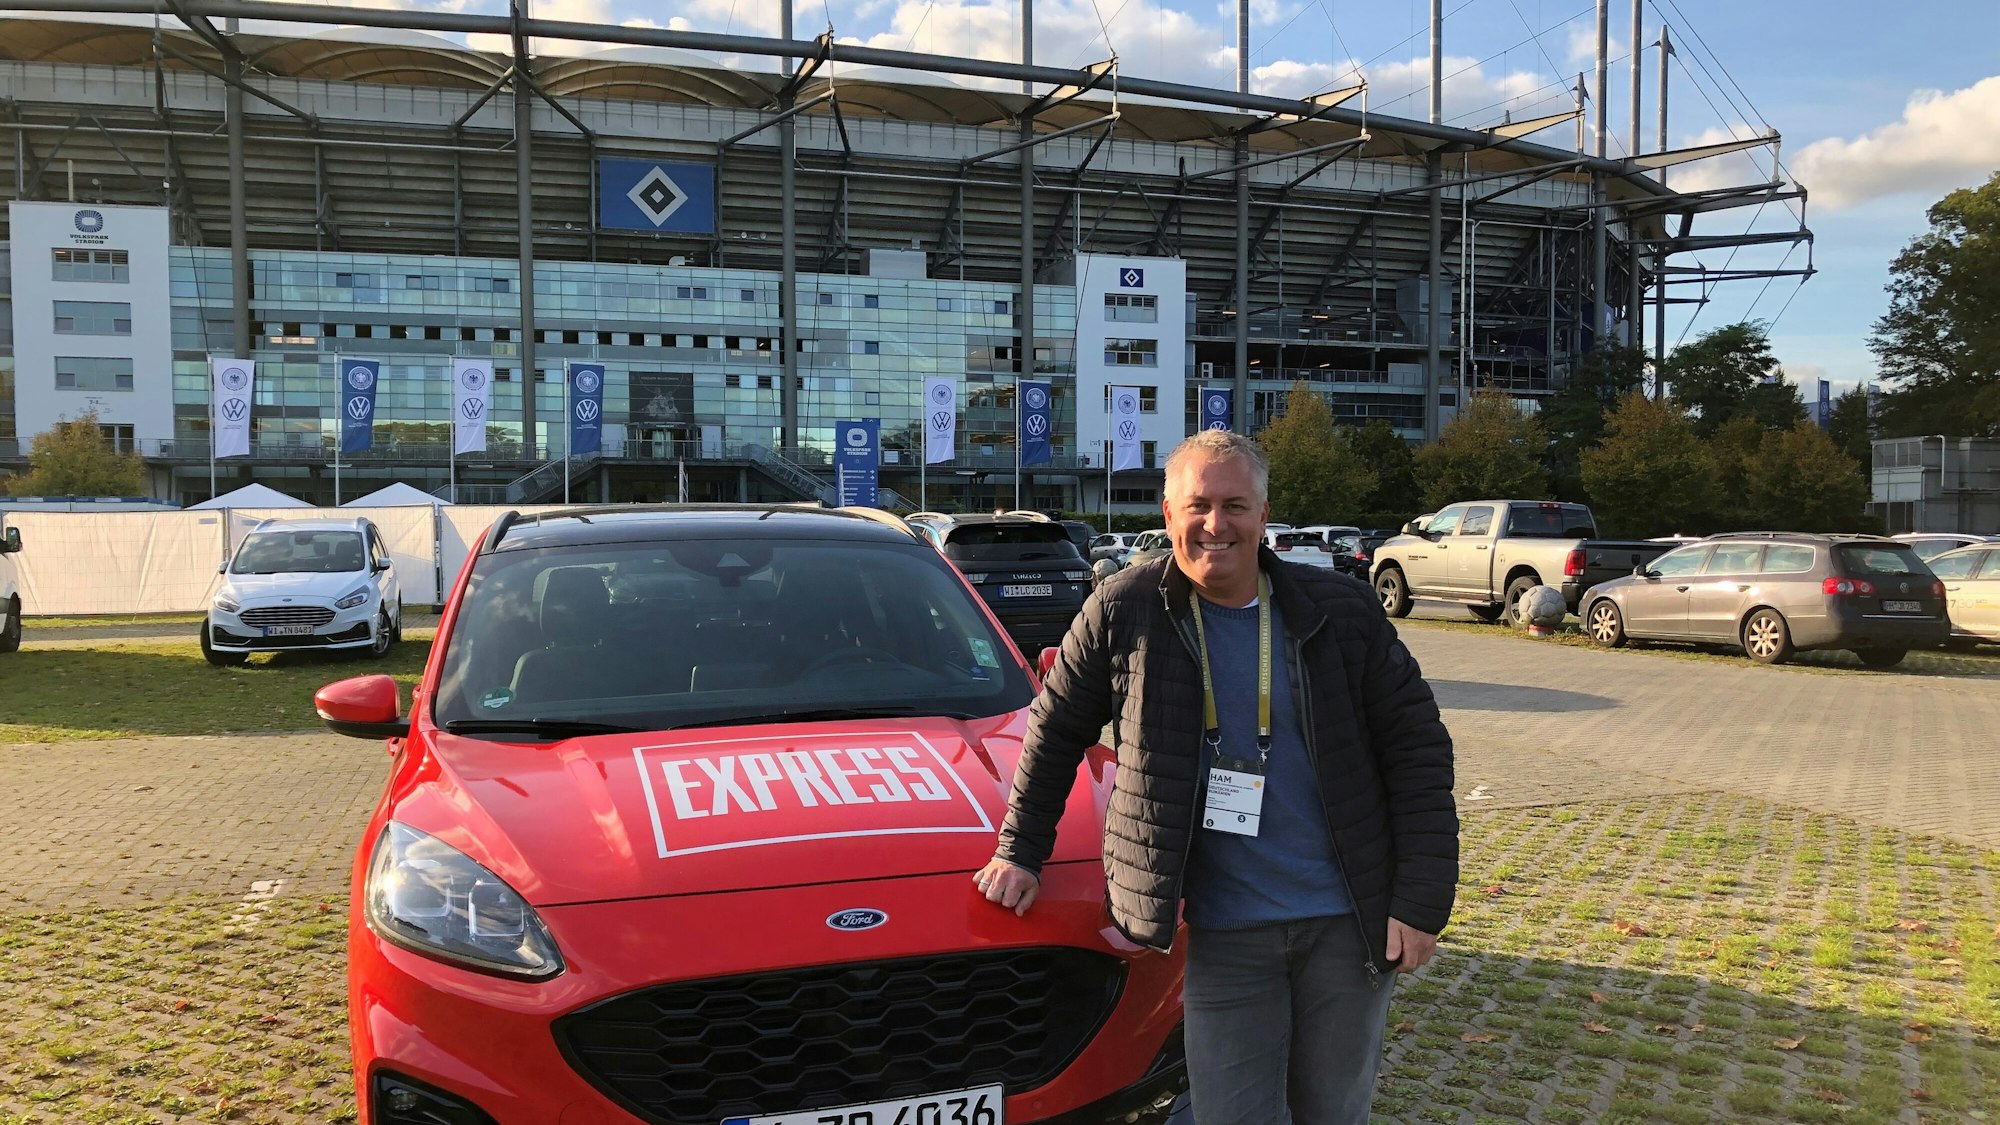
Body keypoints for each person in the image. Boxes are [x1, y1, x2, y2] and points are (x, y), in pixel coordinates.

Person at [974, 429, 1458, 1125]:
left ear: (1263, 515)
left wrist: (1419, 901)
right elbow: (1052, 733)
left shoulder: (1341, 611)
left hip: (1345, 926)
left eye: (1235, 505)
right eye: (1198, 505)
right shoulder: (1123, 608)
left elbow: (1418, 751)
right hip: (1224, 931)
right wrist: (1020, 850)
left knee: (1330, 1111)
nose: (1215, 524)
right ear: (1168, 513)